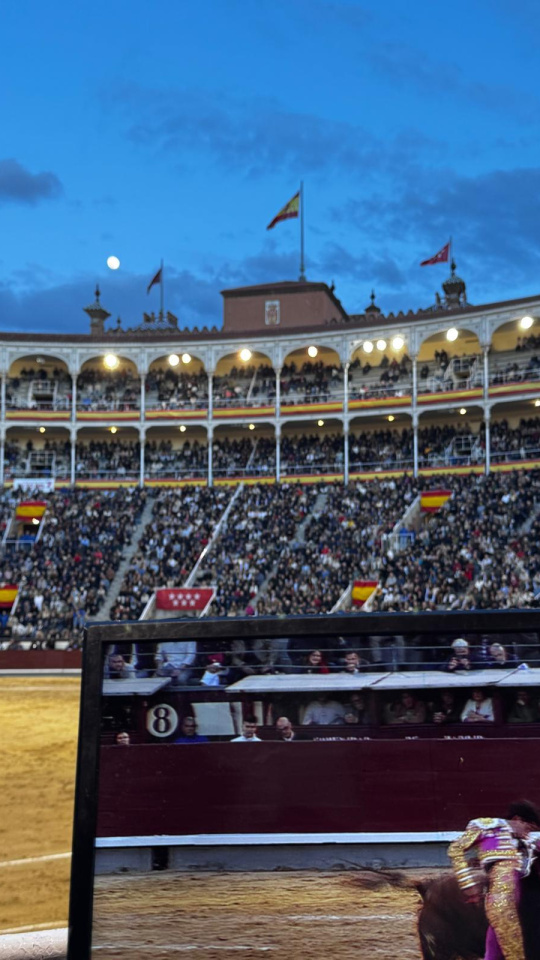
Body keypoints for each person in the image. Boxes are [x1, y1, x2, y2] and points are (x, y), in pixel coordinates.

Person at [448, 799, 540, 960]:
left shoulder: (529, 843)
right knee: (507, 933)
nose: (528, 833)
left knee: (496, 939)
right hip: (502, 885)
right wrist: (466, 883)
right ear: (517, 819)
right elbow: (455, 849)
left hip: (521, 889)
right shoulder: (487, 826)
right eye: (528, 827)